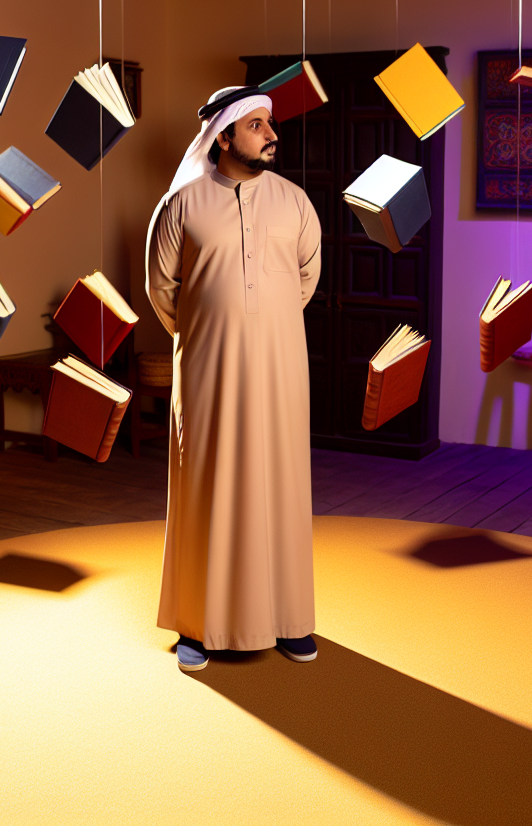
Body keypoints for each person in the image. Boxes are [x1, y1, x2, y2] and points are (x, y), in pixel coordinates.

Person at [145, 86, 322, 672]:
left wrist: (261, 326)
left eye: (269, 124)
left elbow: (304, 279)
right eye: (255, 125)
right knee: (208, 489)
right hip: (206, 372)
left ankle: (288, 622)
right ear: (222, 137)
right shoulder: (181, 207)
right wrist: (213, 332)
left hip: (279, 369)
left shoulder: (295, 202)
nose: (271, 134)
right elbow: (163, 292)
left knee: (282, 486)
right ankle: (199, 626)